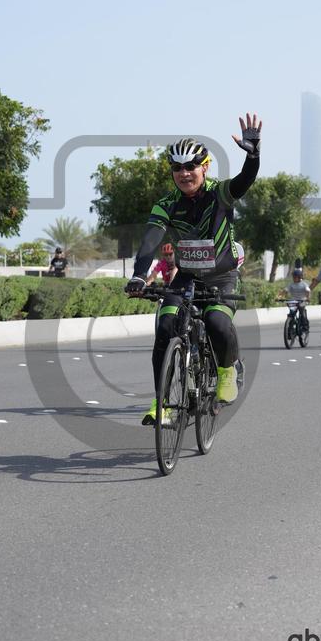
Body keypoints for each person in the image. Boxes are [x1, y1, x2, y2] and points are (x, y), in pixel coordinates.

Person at [126, 112, 262, 425]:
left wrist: (253, 155)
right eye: (177, 168)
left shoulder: (220, 193)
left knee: (216, 322)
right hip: (187, 276)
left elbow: (245, 180)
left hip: (222, 275)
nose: (184, 173)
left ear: (205, 167)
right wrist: (139, 275)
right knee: (165, 326)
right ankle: (162, 402)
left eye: (191, 166)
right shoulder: (166, 204)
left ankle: (227, 371)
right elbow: (150, 240)